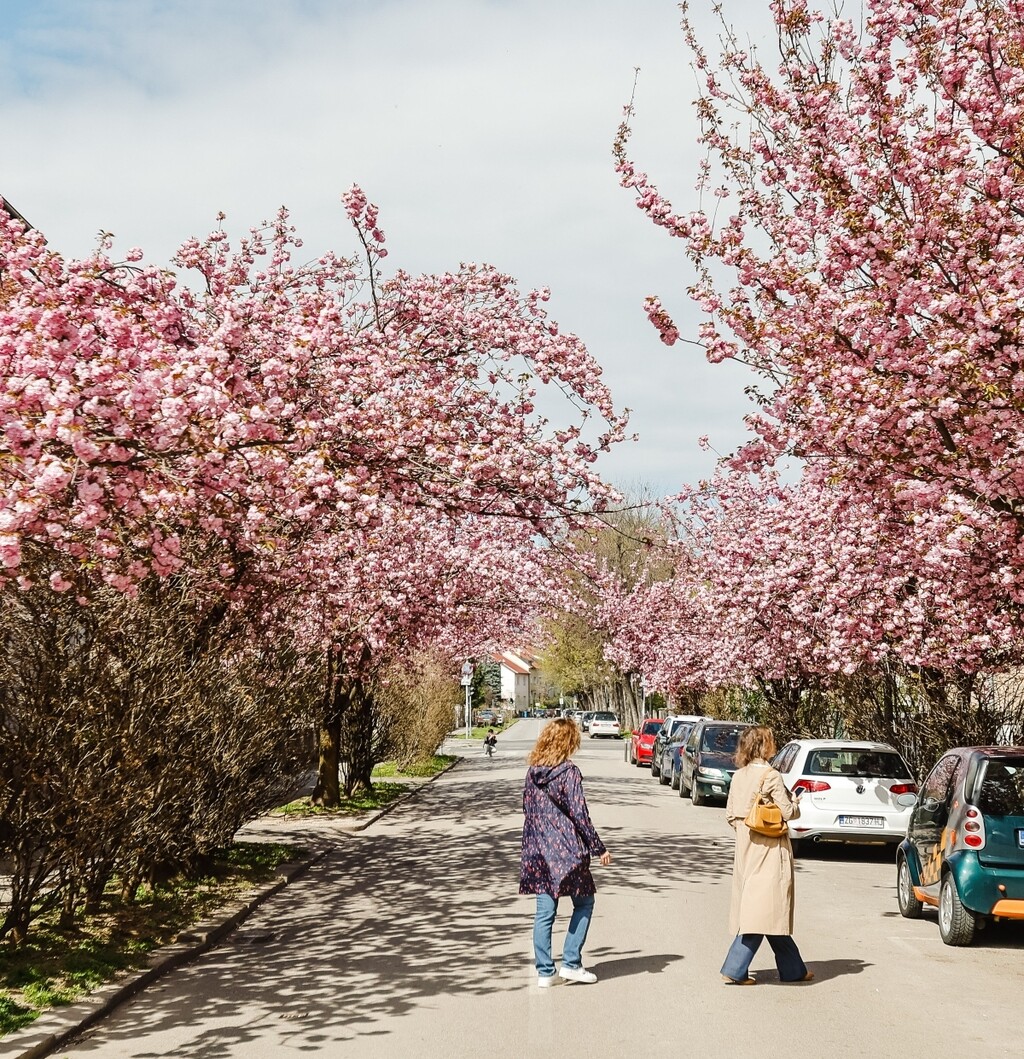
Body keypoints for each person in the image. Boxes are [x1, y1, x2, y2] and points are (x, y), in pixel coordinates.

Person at [519, 717, 612, 987]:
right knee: (584, 903)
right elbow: (579, 814)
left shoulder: (532, 772)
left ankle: (545, 972)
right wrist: (598, 848)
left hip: (538, 852)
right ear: (569, 742)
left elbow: (527, 809)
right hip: (566, 851)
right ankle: (571, 963)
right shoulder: (568, 772)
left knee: (545, 912)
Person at [720, 725, 813, 985]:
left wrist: (745, 828)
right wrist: (795, 802)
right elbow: (789, 812)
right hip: (768, 850)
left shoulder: (739, 776)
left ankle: (793, 970)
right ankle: (734, 968)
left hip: (745, 848)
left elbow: (730, 815)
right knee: (763, 911)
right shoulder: (771, 776)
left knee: (768, 911)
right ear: (764, 746)